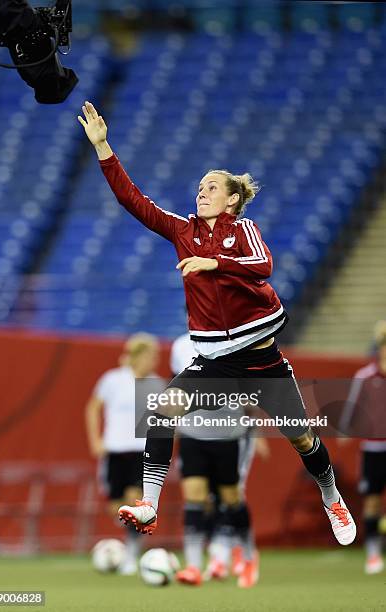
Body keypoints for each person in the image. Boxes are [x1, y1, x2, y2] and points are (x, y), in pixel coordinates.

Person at [78, 100, 356, 548]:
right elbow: (132, 200)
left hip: (262, 363)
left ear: (231, 197)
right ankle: (148, 504)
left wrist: (213, 262)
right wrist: (104, 147)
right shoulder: (182, 231)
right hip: (215, 363)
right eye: (199, 186)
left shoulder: (243, 230)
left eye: (212, 186)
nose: (201, 191)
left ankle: (331, 495)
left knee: (304, 441)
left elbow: (263, 265)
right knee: (162, 409)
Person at [170, 331, 265, 588]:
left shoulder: (237, 346)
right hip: (192, 434)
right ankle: (192, 566)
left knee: (232, 499)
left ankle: (247, 555)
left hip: (226, 434)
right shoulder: (181, 346)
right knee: (194, 498)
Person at [85, 332, 160, 575]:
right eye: (150, 355)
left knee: (136, 500)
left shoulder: (157, 384)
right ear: (137, 356)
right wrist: (96, 440)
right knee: (116, 506)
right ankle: (129, 543)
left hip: (143, 451)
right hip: (115, 450)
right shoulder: (113, 379)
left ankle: (131, 555)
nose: (154, 361)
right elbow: (93, 408)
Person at [339, 321, 386, 574]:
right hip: (373, 450)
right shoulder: (364, 376)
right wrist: (346, 428)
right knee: (372, 502)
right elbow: (352, 407)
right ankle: (373, 554)